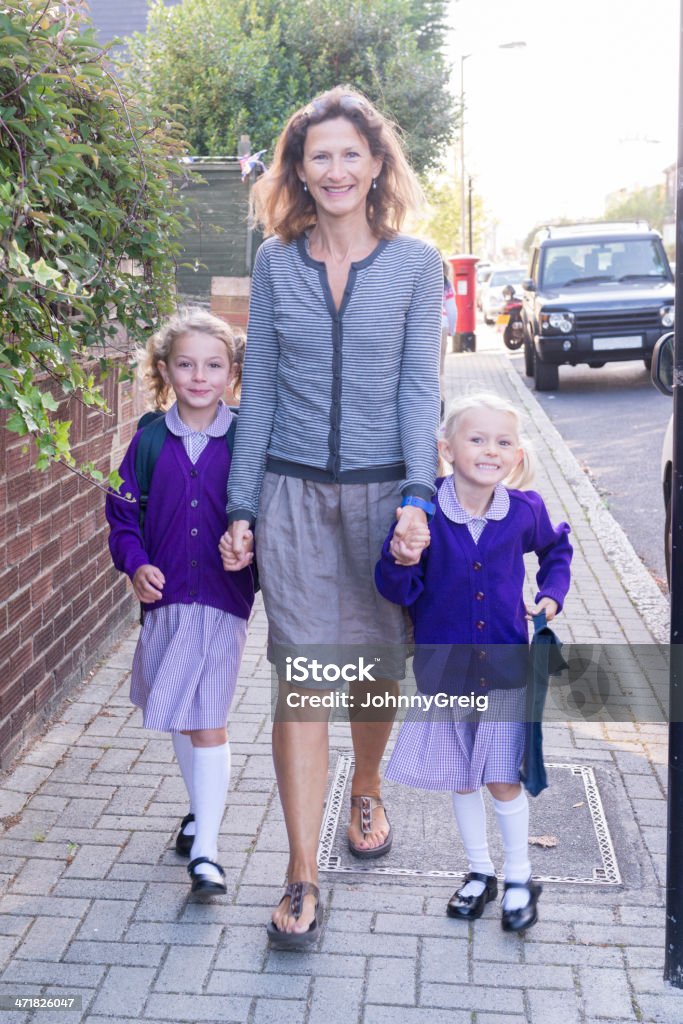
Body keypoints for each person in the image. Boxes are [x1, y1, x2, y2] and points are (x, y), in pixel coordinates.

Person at [220, 85, 442, 946]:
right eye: (320, 156)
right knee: (303, 680)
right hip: (292, 498)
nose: (337, 168)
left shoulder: (417, 266)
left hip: (388, 497)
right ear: (299, 171)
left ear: (377, 163)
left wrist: (420, 497)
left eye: (352, 153)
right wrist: (242, 506)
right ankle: (301, 871)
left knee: (376, 672)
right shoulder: (277, 264)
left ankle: (369, 783)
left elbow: (421, 388)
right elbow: (262, 391)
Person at [375, 392, 572, 933]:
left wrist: (551, 595)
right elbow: (395, 586)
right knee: (463, 776)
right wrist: (401, 556)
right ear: (447, 449)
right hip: (445, 672)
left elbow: (557, 551)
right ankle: (479, 871)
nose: (491, 450)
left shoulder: (524, 510)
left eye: (503, 442)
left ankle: (518, 878)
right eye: (477, 439)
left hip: (507, 669)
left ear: (516, 453)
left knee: (503, 779)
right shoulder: (425, 511)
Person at [106, 309, 255, 899]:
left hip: (223, 600)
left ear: (232, 372)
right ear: (165, 370)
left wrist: (252, 546)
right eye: (186, 364)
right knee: (178, 711)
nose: (200, 376)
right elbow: (122, 516)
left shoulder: (247, 440)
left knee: (208, 718)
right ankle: (200, 809)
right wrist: (134, 562)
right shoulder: (147, 442)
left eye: (214, 365)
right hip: (165, 600)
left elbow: (264, 510)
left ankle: (209, 852)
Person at [441, 259, 457, 410]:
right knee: (439, 372)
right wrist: (452, 330)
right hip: (441, 326)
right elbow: (452, 309)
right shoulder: (445, 283)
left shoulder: (418, 276)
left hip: (421, 325)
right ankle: (440, 405)